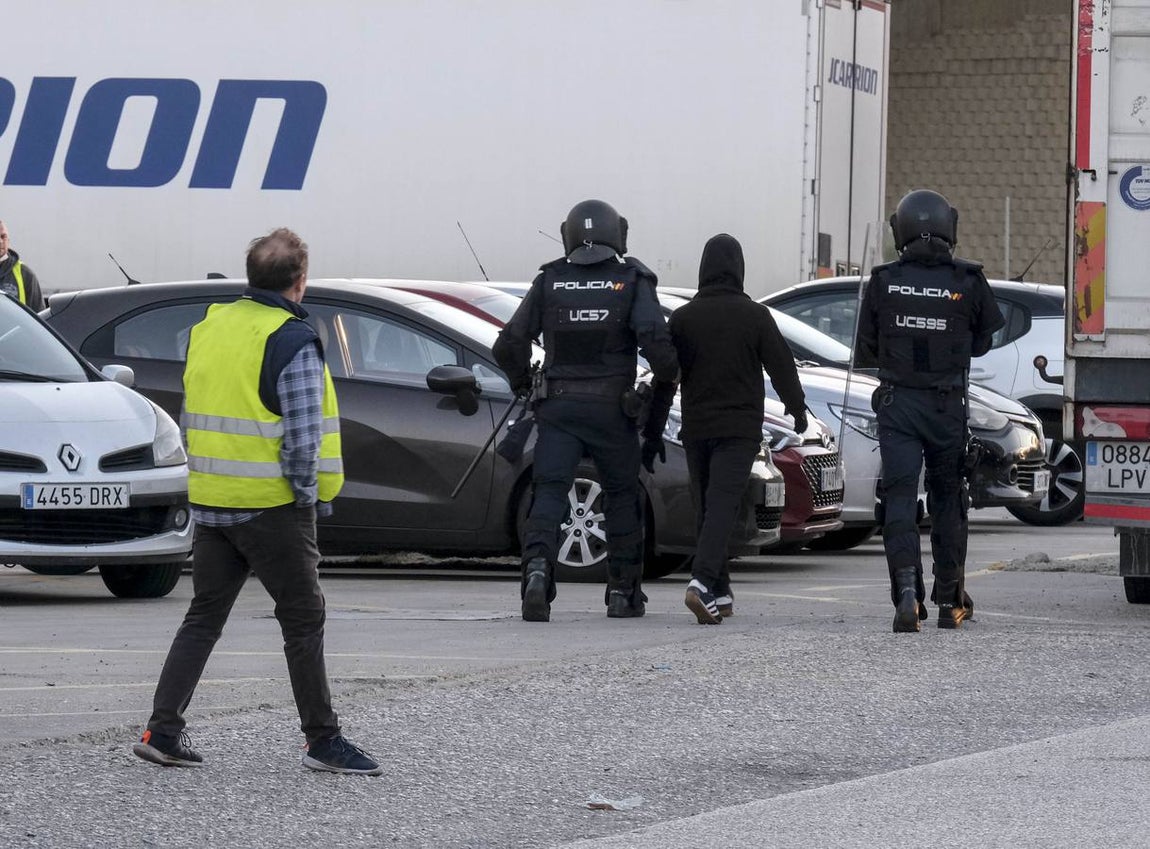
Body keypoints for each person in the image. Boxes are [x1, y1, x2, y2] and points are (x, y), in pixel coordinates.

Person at [132, 228, 382, 774]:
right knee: (303, 619)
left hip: (212, 498)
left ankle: (162, 729)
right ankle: (323, 740)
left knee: (203, 616)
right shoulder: (290, 338)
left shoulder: (209, 327)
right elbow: (302, 436)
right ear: (300, 282)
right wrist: (309, 497)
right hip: (271, 505)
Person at [493, 199, 679, 622]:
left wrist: (524, 383)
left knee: (551, 492)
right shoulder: (632, 279)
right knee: (620, 496)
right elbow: (657, 345)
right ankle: (623, 592)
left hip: (557, 407)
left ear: (568, 234)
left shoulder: (550, 280)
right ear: (620, 234)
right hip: (613, 410)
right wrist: (663, 376)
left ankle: (537, 575)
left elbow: (508, 345)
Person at [856, 189, 1005, 632]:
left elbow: (866, 347)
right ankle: (950, 598)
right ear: (949, 226)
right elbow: (983, 341)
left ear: (899, 230)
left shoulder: (884, 281)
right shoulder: (968, 280)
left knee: (899, 499)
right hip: (946, 407)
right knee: (948, 499)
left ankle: (906, 592)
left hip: (898, 405)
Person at [668, 234, 806, 624]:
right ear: (739, 269)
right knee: (724, 507)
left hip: (696, 429)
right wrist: (797, 409)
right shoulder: (755, 316)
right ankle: (700, 582)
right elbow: (782, 365)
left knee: (708, 507)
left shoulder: (683, 318)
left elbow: (666, 375)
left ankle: (719, 591)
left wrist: (651, 425)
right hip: (739, 429)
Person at [0, 221, 45, 311]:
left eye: (3, 236)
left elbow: (40, 317)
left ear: (8, 240)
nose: (0, 241)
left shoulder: (25, 274)